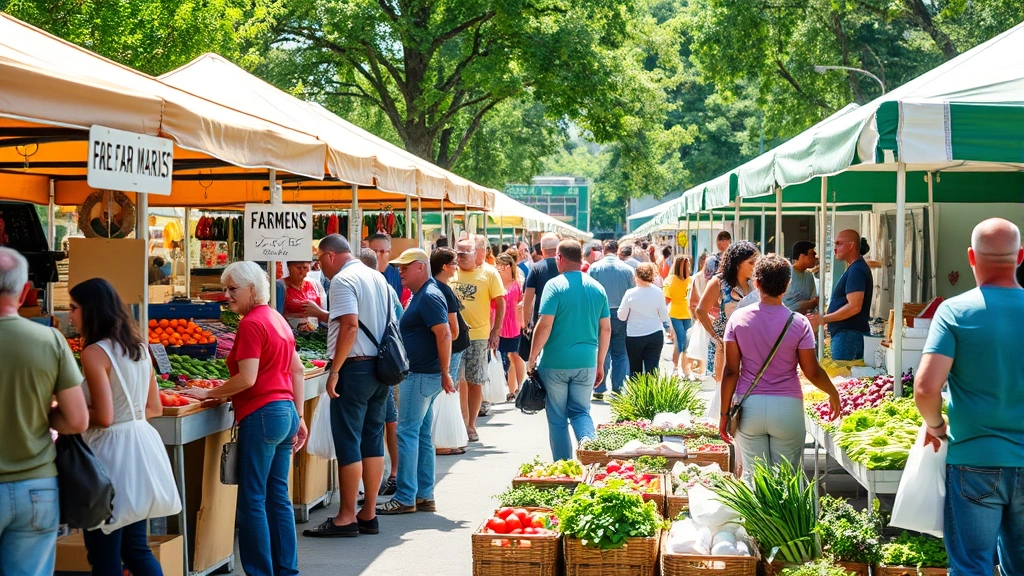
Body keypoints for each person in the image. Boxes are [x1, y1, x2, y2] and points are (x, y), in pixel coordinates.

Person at [913, 218, 1024, 574]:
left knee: (971, 566)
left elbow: (926, 388)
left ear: (971, 258)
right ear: (1020, 256)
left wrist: (936, 425)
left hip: (974, 459)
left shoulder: (955, 311)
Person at [181, 262, 306, 572]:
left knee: (252, 499)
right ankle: (286, 570)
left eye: (232, 289)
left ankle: (260, 571)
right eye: (225, 289)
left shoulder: (251, 323)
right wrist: (299, 416)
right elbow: (298, 370)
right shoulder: (276, 318)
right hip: (284, 411)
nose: (226, 295)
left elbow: (247, 378)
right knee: (277, 497)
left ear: (252, 289)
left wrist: (211, 393)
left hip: (262, 413)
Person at [69, 279, 168, 576]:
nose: (70, 315)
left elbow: (105, 416)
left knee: (103, 552)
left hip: (108, 456)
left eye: (74, 308)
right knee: (136, 548)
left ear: (91, 310)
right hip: (141, 449)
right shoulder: (138, 346)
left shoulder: (94, 353)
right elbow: (155, 408)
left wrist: (67, 410)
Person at [0, 247, 89, 576]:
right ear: (26, 292)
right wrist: (40, 414)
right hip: (36, 488)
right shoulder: (50, 341)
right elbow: (78, 419)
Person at [306, 234, 399, 537]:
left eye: (319, 260)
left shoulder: (344, 281)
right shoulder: (378, 278)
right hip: (380, 369)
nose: (319, 266)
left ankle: (346, 516)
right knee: (372, 439)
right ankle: (368, 513)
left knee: (348, 441)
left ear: (330, 256)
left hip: (355, 368)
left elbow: (349, 324)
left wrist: (335, 371)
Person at [719, 255, 840, 481]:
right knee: (787, 480)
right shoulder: (799, 322)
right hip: (787, 407)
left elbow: (730, 372)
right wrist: (832, 392)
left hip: (749, 406)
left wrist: (724, 414)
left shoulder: (737, 319)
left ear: (756, 284)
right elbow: (811, 371)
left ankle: (755, 517)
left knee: (754, 478)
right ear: (786, 285)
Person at [376, 249, 454, 515]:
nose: (400, 271)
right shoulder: (427, 294)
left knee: (408, 433)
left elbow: (444, 334)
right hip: (425, 374)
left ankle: (406, 496)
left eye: (405, 267)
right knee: (419, 434)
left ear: (421, 267)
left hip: (421, 374)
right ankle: (423, 495)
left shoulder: (429, 295)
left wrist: (445, 371)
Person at [527, 240, 611, 461]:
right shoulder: (597, 287)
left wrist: (532, 357)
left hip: (555, 362)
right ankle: (589, 450)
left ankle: (564, 469)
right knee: (581, 412)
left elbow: (544, 325)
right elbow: (606, 329)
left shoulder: (554, 286)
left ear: (561, 258)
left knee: (557, 418)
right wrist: (600, 362)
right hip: (586, 362)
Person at [450, 237, 505, 442]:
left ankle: (471, 424)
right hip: (454, 337)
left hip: (478, 336)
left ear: (476, 253)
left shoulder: (489, 273)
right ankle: (461, 421)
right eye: (459, 253)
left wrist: (496, 331)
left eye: (466, 253)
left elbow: (500, 303)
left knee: (475, 380)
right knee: (458, 381)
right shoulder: (450, 271)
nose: (462, 257)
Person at [356, 246, 400, 497]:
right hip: (384, 366)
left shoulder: (377, 287)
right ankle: (384, 479)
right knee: (380, 425)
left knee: (378, 425)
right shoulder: (384, 287)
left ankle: (389, 476)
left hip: (376, 366)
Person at [696, 241, 759, 384]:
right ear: (738, 263)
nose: (754, 266)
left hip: (750, 346)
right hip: (727, 345)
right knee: (725, 390)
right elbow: (700, 311)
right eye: (750, 263)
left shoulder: (753, 283)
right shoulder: (719, 282)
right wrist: (715, 337)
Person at [808, 230, 873, 361]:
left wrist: (823, 319)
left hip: (848, 335)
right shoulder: (854, 268)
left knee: (843, 378)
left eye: (839, 244)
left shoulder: (857, 270)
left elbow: (854, 307)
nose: (835, 248)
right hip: (846, 335)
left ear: (851, 245)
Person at [431, 248, 470, 456]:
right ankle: (443, 441)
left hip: (450, 348)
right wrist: (447, 343)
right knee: (448, 391)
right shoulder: (444, 289)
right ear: (445, 266)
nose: (457, 265)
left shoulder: (439, 286)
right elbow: (452, 329)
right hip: (452, 349)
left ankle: (444, 439)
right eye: (454, 262)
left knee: (448, 391)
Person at [588, 239, 635, 399]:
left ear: (603, 249)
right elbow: (631, 294)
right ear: (617, 251)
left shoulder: (594, 268)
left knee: (602, 351)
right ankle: (617, 388)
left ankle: (599, 387)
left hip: (600, 313)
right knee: (620, 353)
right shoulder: (628, 270)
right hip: (621, 314)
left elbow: (589, 293)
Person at [617, 263, 670, 376]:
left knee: (635, 371)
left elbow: (621, 316)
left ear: (636, 276)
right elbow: (664, 316)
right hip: (655, 333)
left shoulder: (630, 293)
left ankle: (636, 393)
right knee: (652, 369)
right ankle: (651, 393)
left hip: (634, 335)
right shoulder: (658, 292)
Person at [495, 252, 526, 401]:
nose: (497, 267)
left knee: (514, 355)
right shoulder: (496, 282)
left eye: (499, 265)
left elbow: (523, 299)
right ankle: (510, 389)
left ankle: (520, 387)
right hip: (498, 324)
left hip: (513, 323)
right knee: (502, 356)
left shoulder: (517, 282)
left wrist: (522, 306)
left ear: (507, 266)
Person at [522, 233, 561, 331]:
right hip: (563, 320)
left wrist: (525, 323)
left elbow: (528, 299)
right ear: (558, 249)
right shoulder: (565, 267)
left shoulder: (536, 268)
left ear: (542, 250)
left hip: (541, 321)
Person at [664, 255, 694, 378]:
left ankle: (682, 369)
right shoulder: (673, 280)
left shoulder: (687, 280)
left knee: (684, 343)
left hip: (683, 313)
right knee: (682, 342)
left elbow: (666, 298)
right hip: (680, 313)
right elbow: (666, 299)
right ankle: (679, 369)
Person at [277, 260, 328, 330]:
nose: (302, 272)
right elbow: (276, 315)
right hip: (289, 331)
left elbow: (324, 311)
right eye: (298, 268)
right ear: (289, 267)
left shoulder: (316, 285)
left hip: (315, 332)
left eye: (305, 268)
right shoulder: (279, 286)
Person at [782, 241, 819, 314]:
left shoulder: (809, 276)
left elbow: (814, 302)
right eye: (812, 255)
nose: (815, 258)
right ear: (802, 256)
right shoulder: (785, 273)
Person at [367, 233, 403, 299]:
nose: (377, 254)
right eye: (374, 251)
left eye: (381, 251)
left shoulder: (399, 275)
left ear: (389, 252)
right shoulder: (365, 275)